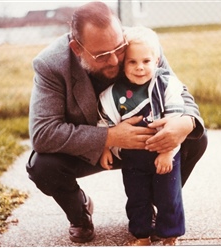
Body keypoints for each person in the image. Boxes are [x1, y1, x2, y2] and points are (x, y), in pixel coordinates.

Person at [26, 1, 207, 244]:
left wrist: (187, 122)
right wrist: (109, 137)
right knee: (42, 166)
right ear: (77, 48)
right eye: (101, 55)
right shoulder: (51, 64)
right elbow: (43, 133)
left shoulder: (140, 44)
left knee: (195, 138)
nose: (114, 60)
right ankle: (80, 214)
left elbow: (177, 90)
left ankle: (154, 203)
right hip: (92, 150)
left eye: (119, 48)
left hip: (147, 145)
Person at [97, 26, 186, 246]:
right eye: (132, 62)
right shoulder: (113, 93)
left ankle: (169, 233)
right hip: (132, 157)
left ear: (157, 61)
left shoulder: (165, 84)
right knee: (136, 197)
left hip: (164, 152)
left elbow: (175, 118)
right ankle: (141, 234)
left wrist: (167, 152)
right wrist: (105, 147)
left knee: (168, 196)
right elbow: (105, 121)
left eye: (146, 61)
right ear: (123, 64)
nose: (140, 68)